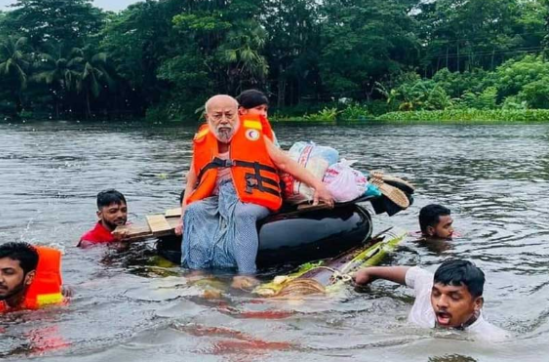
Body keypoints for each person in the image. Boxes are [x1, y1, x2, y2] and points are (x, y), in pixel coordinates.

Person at [177, 94, 333, 289]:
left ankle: (245, 274)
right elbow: (191, 185)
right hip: (219, 198)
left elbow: (285, 162)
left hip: (255, 197)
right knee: (195, 211)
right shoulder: (203, 141)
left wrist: (318, 185)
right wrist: (183, 215)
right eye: (217, 116)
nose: (224, 120)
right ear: (208, 118)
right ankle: (198, 272)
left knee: (243, 214)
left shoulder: (255, 135)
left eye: (229, 115)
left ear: (238, 114)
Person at [354, 259, 509, 342]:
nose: (440, 303)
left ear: (477, 304)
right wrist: (370, 272)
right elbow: (414, 275)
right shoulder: (428, 288)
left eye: (454, 297)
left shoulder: (491, 338)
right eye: (436, 293)